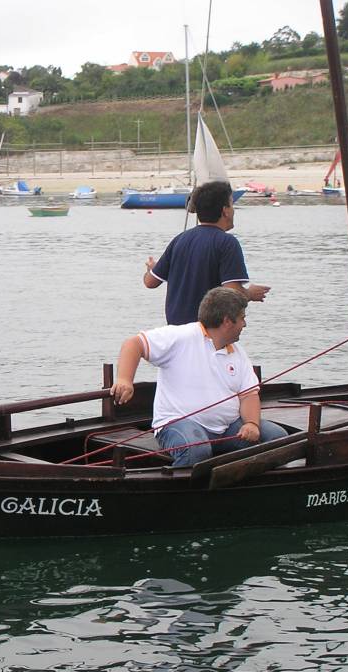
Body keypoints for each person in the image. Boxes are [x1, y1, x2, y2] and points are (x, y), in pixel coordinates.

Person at [111, 287, 287, 467]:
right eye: (242, 318)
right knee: (197, 450)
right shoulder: (181, 336)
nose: (245, 324)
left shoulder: (238, 353)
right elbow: (134, 344)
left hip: (228, 428)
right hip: (178, 424)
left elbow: (248, 395)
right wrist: (125, 380)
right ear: (227, 321)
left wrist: (251, 424)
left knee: (278, 439)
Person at [144, 180, 271, 325]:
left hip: (176, 332)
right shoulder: (227, 243)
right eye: (232, 205)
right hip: (207, 333)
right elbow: (233, 293)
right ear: (225, 211)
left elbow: (150, 282)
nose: (233, 210)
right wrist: (250, 293)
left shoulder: (180, 239)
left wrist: (152, 269)